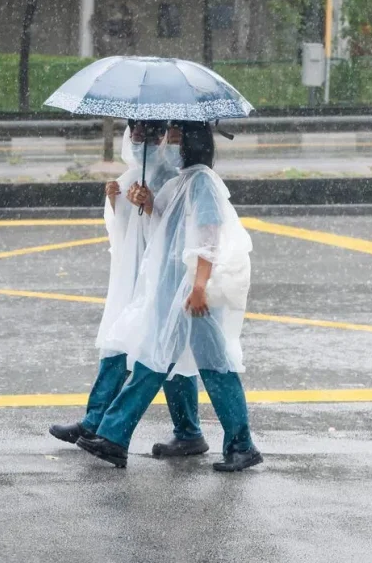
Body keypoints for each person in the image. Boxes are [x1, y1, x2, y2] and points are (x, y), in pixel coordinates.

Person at [76, 121, 263, 472]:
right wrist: (147, 205)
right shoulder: (183, 181)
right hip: (174, 288)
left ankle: (239, 445)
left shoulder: (202, 182)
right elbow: (172, 227)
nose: (166, 145)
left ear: (193, 143)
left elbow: (209, 236)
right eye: (167, 138)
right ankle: (116, 436)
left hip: (191, 293)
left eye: (174, 139)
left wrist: (198, 287)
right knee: (161, 359)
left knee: (205, 366)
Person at [48, 120, 209, 458]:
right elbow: (123, 231)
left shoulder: (177, 177)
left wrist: (151, 205)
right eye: (134, 134)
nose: (140, 141)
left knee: (165, 351)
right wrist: (115, 202)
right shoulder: (132, 175)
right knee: (123, 345)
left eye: (150, 135)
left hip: (160, 277)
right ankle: (96, 422)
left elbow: (178, 233)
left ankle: (186, 431)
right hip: (134, 276)